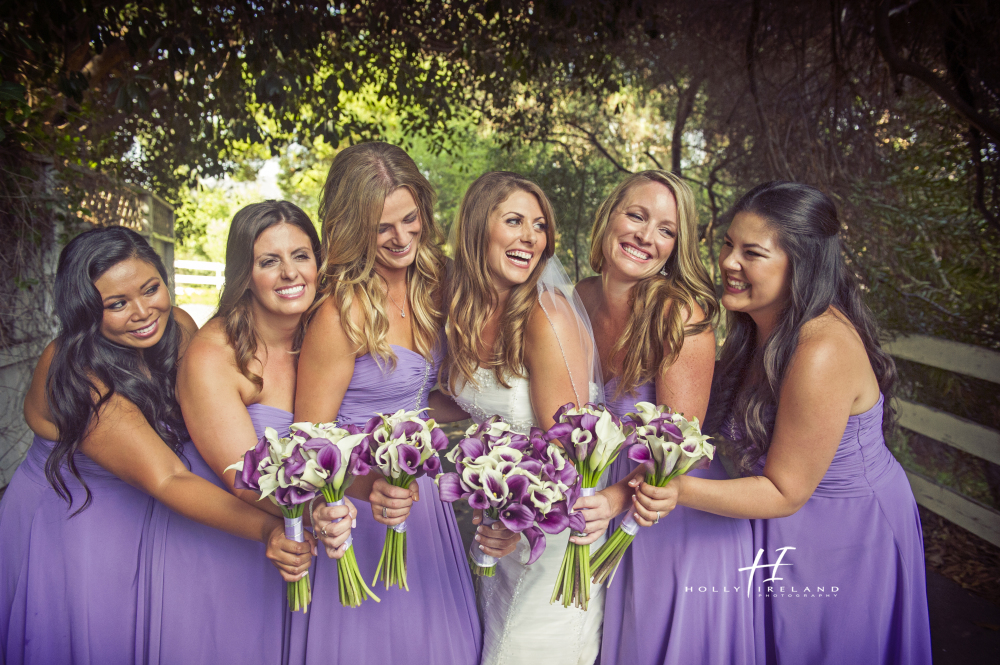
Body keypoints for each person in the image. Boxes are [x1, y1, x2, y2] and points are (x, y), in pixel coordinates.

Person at [647, 181, 932, 664]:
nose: (729, 262)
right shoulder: (758, 328)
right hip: (777, 522)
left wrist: (674, 488)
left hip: (846, 532)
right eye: (728, 244)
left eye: (752, 253)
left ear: (800, 263)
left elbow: (784, 491)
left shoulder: (820, 349)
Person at [0, 226, 308, 665]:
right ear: (85, 311)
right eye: (117, 304)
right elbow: (168, 476)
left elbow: (208, 411)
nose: (144, 312)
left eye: (151, 289)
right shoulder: (77, 372)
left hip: (150, 507)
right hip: (73, 518)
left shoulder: (178, 326)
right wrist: (272, 527)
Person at [292, 142, 482, 665]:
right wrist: (367, 488)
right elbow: (309, 443)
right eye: (382, 228)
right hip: (360, 505)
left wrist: (492, 410)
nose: (401, 239)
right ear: (354, 229)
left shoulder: (437, 286)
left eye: (410, 219)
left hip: (421, 497)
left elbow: (426, 402)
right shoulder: (339, 314)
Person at [140, 201, 350, 664]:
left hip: (300, 544)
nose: (289, 273)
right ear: (244, 273)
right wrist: (329, 506)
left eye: (301, 255)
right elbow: (246, 480)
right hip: (230, 546)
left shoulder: (328, 332)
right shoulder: (214, 356)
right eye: (268, 261)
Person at [575, 170, 754, 665]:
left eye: (666, 230)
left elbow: (675, 450)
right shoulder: (577, 299)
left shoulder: (679, 316)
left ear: (675, 247)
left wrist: (614, 499)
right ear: (610, 215)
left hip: (671, 512)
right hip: (602, 497)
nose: (646, 237)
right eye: (636, 215)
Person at [443, 171, 605, 665]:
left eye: (539, 226)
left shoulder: (547, 316)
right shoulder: (465, 311)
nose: (531, 237)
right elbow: (472, 402)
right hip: (500, 518)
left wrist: (526, 522)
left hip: (552, 527)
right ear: (477, 229)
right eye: (514, 221)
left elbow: (571, 447)